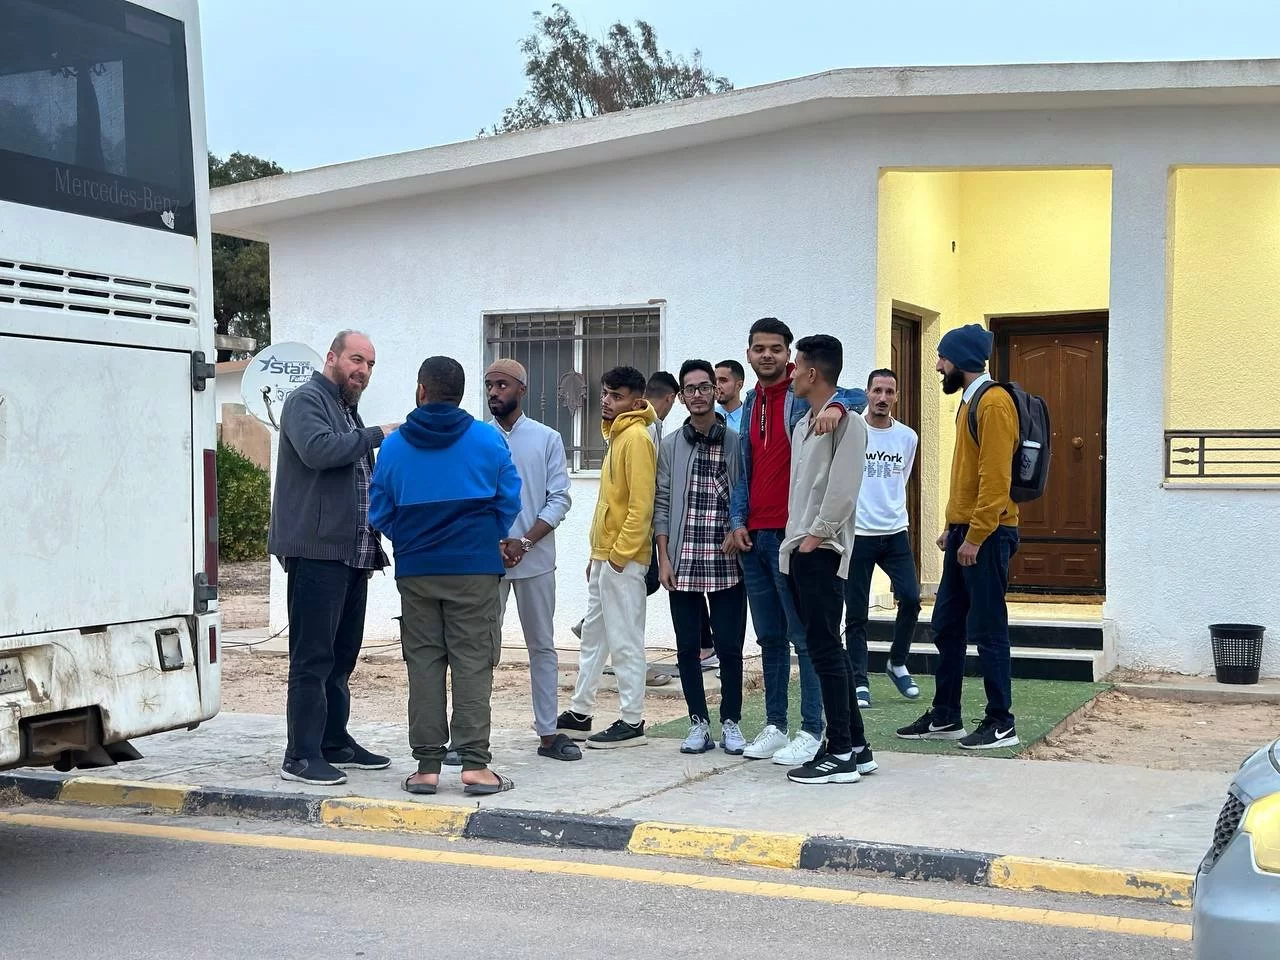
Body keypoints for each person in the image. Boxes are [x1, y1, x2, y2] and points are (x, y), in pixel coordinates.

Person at [369, 356, 522, 795]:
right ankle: (474, 766)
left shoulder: (394, 446)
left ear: (422, 391)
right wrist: (482, 537)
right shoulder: (488, 439)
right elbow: (509, 500)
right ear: (461, 394)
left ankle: (426, 767)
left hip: (417, 571)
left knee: (424, 663)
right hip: (474, 570)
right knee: (473, 662)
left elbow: (379, 510)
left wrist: (412, 539)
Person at [726, 318, 866, 766]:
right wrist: (737, 520)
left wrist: (838, 405)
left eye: (776, 348)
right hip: (755, 535)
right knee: (769, 637)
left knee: (807, 639)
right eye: (759, 348)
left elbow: (854, 394)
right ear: (749, 354)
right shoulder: (751, 401)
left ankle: (812, 729)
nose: (767, 355)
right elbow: (744, 468)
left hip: (796, 536)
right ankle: (775, 725)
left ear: (790, 356)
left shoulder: (804, 395)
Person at [270, 330, 399, 787]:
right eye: (356, 360)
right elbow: (319, 451)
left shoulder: (345, 408)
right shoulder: (306, 400)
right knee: (312, 659)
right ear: (332, 357)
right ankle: (300, 756)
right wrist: (377, 434)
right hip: (317, 552)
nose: (363, 371)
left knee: (342, 657)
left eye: (370, 364)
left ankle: (333, 741)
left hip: (354, 552)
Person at [896, 324, 1021, 750]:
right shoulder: (971, 400)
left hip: (989, 534)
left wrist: (976, 535)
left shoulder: (994, 403)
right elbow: (969, 474)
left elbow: (996, 478)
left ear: (961, 360)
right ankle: (946, 714)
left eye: (943, 358)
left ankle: (1001, 722)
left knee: (988, 628)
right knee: (947, 625)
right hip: (966, 532)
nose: (937, 365)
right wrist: (954, 528)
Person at [779, 335, 875, 784]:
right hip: (801, 548)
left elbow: (842, 490)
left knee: (825, 650)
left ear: (813, 372)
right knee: (825, 649)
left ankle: (838, 752)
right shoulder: (806, 422)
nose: (792, 374)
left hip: (822, 549)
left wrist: (814, 538)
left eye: (797, 366)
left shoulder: (848, 424)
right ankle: (856, 746)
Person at [556, 366, 658, 748]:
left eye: (616, 396)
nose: (606, 401)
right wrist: (597, 555)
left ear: (636, 400)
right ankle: (580, 712)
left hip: (624, 560)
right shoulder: (617, 435)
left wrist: (618, 555)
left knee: (625, 639)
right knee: (593, 637)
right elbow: (611, 504)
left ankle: (632, 721)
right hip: (606, 556)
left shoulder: (637, 438)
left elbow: (641, 506)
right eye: (605, 394)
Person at [484, 359, 580, 762]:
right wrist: (494, 544)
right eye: (489, 385)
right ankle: (471, 739)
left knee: (541, 646)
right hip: (487, 561)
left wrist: (524, 541)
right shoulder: (477, 438)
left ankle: (548, 733)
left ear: (522, 389)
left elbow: (559, 498)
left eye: (502, 385)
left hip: (535, 560)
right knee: (481, 649)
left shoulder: (547, 438)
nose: (494, 392)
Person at [654, 360, 747, 755]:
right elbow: (661, 502)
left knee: (729, 647)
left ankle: (731, 722)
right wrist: (663, 557)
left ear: (716, 390)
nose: (698, 394)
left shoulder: (736, 441)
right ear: (681, 396)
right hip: (684, 559)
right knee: (688, 648)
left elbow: (745, 494)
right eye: (690, 388)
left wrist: (736, 529)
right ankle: (698, 723)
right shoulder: (671, 445)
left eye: (704, 387)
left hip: (727, 562)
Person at [844, 368, 922, 709]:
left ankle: (897, 662)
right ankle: (859, 680)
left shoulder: (907, 437)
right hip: (858, 534)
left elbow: (899, 479)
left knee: (912, 598)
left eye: (889, 392)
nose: (882, 397)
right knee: (856, 613)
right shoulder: (852, 431)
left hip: (895, 533)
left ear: (896, 397)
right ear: (867, 393)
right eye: (877, 390)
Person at [715, 359, 746, 433]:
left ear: (739, 385)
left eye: (723, 380)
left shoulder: (751, 419)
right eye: (714, 381)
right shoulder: (708, 418)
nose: (717, 386)